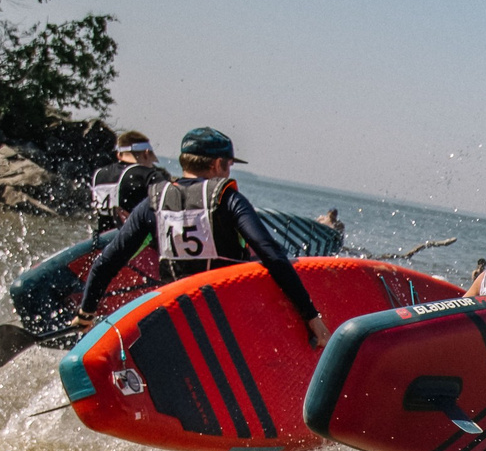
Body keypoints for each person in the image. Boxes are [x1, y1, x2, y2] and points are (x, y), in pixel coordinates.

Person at [77, 128, 326, 346]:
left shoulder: (152, 202)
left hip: (175, 314)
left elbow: (106, 262)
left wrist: (86, 312)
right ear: (217, 164)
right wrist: (311, 316)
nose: (228, 171)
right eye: (228, 165)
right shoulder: (227, 199)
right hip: (227, 313)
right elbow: (270, 253)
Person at [88, 131, 166, 235]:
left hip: (104, 241)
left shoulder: (99, 175)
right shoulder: (147, 175)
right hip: (134, 243)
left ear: (119, 155)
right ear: (146, 154)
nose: (152, 165)